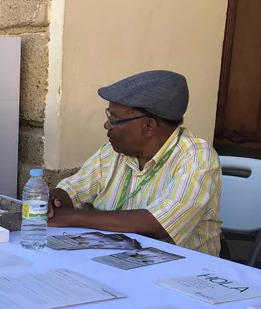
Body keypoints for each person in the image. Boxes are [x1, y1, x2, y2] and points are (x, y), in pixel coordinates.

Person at [48, 70, 222, 256]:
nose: (106, 125)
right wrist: (52, 200)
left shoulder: (197, 158)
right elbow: (72, 190)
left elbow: (158, 224)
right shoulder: (113, 152)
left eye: (114, 119)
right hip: (116, 258)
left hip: (182, 269)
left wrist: (73, 217)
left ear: (148, 127)